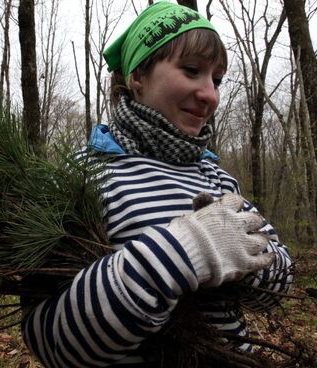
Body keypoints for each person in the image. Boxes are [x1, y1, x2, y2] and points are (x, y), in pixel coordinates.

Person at [21, 2, 293, 367]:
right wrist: (188, 250)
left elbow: (278, 290)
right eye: (192, 70)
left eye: (217, 79)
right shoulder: (81, 178)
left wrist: (246, 259)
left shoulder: (218, 178)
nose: (210, 95)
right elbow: (52, 343)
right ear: (138, 76)